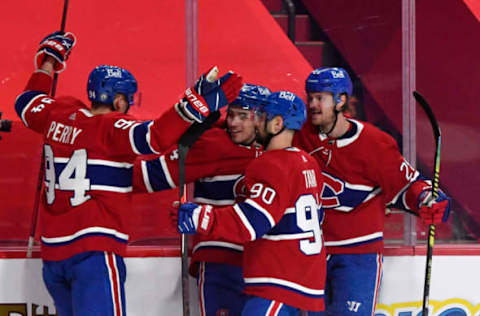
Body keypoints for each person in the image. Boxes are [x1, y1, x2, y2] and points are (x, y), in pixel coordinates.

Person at [14, 31, 242, 316]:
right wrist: (195, 104)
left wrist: (49, 61)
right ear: (119, 100)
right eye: (128, 99)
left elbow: (26, 101)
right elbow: (155, 137)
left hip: (53, 256)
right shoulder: (112, 128)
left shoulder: (57, 113)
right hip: (93, 253)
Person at [293, 67, 451, 316]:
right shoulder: (299, 136)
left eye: (320, 98)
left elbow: (408, 182)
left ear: (340, 100)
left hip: (358, 256)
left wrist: (427, 198)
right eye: (309, 97)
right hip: (311, 252)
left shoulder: (374, 142)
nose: (312, 104)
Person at [175, 91, 326, 315]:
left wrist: (202, 217)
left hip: (277, 280)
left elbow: (253, 221)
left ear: (277, 124)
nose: (256, 122)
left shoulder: (271, 164)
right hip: (299, 280)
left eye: (262, 116)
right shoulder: (308, 162)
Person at [133, 83, 270, 316]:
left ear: (263, 119)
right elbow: (147, 177)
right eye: (232, 115)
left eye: (243, 116)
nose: (234, 123)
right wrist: (100, 169)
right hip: (221, 261)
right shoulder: (214, 145)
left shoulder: (278, 148)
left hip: (265, 263)